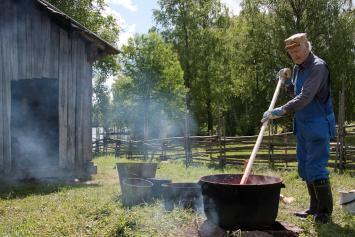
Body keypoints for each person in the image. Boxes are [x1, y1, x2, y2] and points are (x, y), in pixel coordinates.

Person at [261, 33, 336, 224]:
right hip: (302, 124)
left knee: (316, 166)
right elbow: (296, 91)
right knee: (304, 166)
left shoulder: (318, 67)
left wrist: (281, 110)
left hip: (318, 123)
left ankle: (325, 211)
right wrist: (286, 82)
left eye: (297, 49)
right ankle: (313, 207)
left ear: (307, 46)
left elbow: (306, 96)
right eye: (291, 51)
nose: (295, 54)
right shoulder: (297, 68)